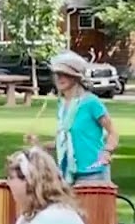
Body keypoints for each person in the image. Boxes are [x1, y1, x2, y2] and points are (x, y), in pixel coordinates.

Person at [27, 51, 118, 184]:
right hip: (67, 175)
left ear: (75, 77)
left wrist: (107, 152)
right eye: (57, 74)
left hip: (93, 174)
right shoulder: (62, 104)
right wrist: (39, 145)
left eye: (64, 74)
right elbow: (66, 142)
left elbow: (113, 132)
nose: (59, 78)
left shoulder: (91, 102)